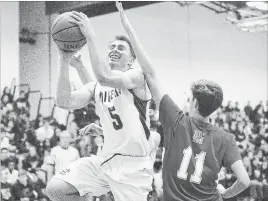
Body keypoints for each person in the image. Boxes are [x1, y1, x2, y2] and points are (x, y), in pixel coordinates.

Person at [115, 1, 250, 200]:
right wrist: (224, 196)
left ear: (194, 103)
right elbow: (245, 181)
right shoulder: (226, 138)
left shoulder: (177, 121)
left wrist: (127, 25)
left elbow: (150, 74)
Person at [46, 9, 154, 201]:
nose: (114, 49)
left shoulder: (136, 77)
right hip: (105, 160)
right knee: (56, 189)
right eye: (111, 47)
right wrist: (65, 59)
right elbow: (65, 101)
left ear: (131, 60)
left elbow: (104, 78)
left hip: (132, 167)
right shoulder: (97, 86)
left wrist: (90, 35)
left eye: (121, 48)